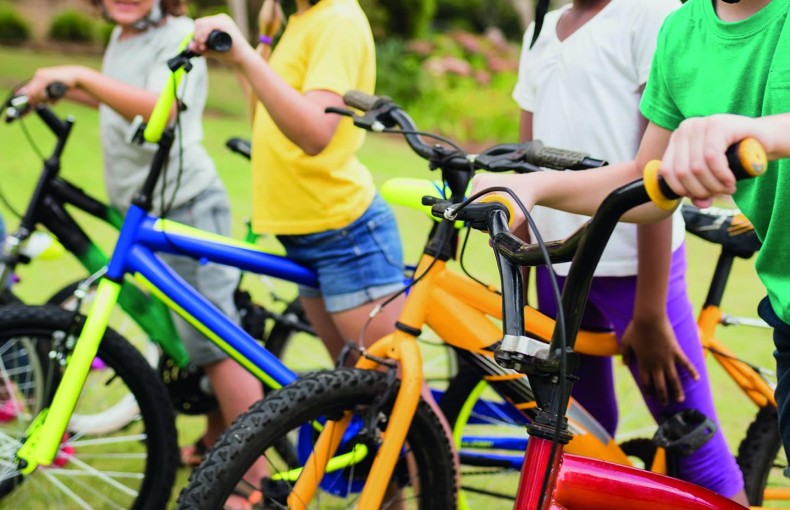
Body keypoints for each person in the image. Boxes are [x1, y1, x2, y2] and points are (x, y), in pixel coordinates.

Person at [474, 0, 789, 503]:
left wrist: (759, 131)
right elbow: (645, 180)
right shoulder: (683, 31)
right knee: (580, 438)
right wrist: (531, 189)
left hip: (635, 273)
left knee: (698, 449)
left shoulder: (656, 16)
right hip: (786, 313)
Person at [19, 0, 264, 475]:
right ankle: (218, 440)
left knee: (216, 344)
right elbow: (125, 96)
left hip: (188, 205)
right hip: (148, 207)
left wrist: (79, 75)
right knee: (187, 339)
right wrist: (69, 90)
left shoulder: (180, 34)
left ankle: (255, 478)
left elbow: (163, 109)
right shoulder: (123, 35)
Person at [190, 0, 410, 505]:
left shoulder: (334, 18)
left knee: (398, 400)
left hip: (344, 236)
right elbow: (270, 114)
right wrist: (261, 46)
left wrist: (246, 55)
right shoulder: (301, 19)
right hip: (311, 235)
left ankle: (438, 492)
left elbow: (314, 133)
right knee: (359, 394)